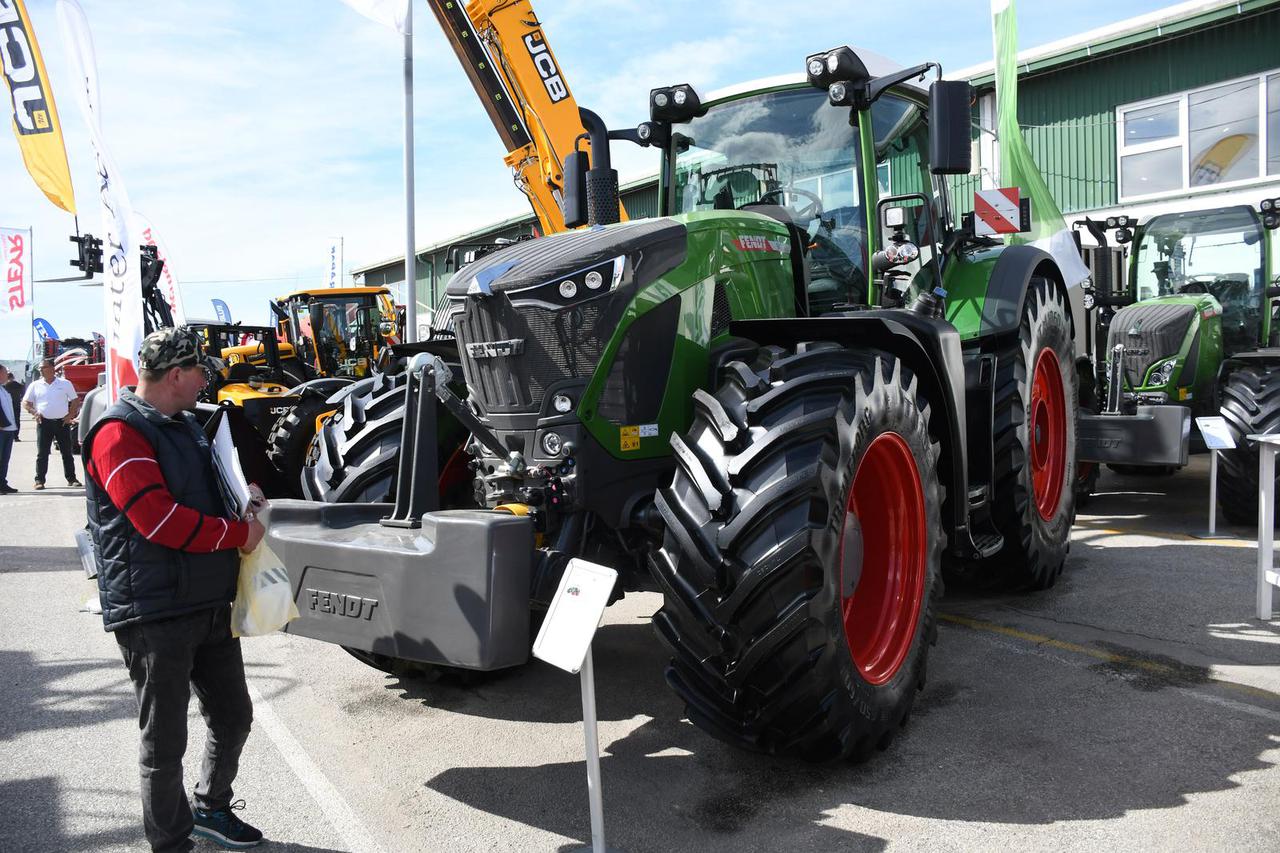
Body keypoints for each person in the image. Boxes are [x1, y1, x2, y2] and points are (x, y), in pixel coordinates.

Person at [83, 327, 268, 852]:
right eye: (200, 371)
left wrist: (243, 497)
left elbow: (208, 492)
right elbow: (156, 520)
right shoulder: (118, 433)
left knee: (234, 715)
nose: (206, 379)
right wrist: (240, 534)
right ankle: (170, 842)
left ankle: (210, 807)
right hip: (154, 611)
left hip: (208, 602)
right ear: (176, 375)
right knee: (164, 743)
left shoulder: (187, 424)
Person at [22, 357, 81, 489]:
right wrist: (34, 412)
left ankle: (71, 478)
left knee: (66, 452)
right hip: (44, 423)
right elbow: (25, 402)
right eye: (40, 368)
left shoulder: (65, 384)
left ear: (52, 369)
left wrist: (70, 415)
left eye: (43, 368)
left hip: (62, 423)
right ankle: (39, 480)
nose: (41, 370)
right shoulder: (35, 385)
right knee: (42, 453)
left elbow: (75, 401)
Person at [0, 364, 17, 493]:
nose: (7, 374)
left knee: (5, 459)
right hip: (1, 429)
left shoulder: (3, 390)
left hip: (9, 429)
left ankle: (2, 483)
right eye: (5, 372)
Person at [2, 366, 22, 440]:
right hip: (17, 404)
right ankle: (16, 436)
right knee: (17, 420)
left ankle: (11, 435)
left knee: (9, 419)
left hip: (8, 406)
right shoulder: (19, 385)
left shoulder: (4, 386)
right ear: (13, 377)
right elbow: (22, 394)